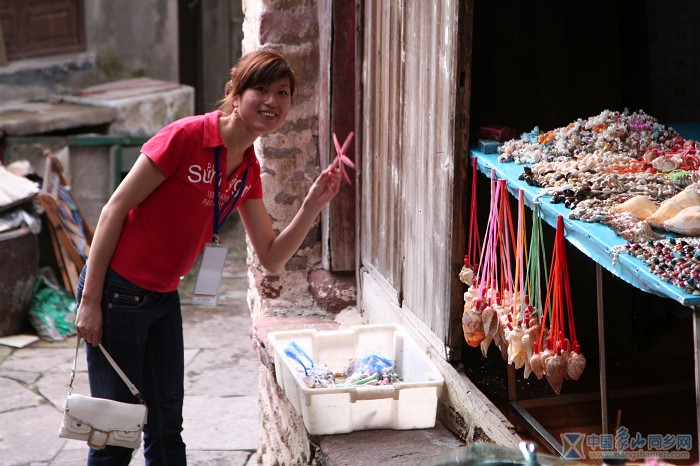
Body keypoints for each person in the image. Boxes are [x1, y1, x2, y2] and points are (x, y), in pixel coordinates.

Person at [74, 49, 343, 465]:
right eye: (261, 89)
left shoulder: (247, 169)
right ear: (235, 93)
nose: (272, 101)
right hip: (117, 293)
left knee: (167, 429)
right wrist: (90, 301)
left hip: (163, 299)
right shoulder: (186, 137)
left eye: (283, 92)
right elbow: (113, 210)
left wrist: (312, 205)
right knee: (115, 434)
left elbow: (271, 256)